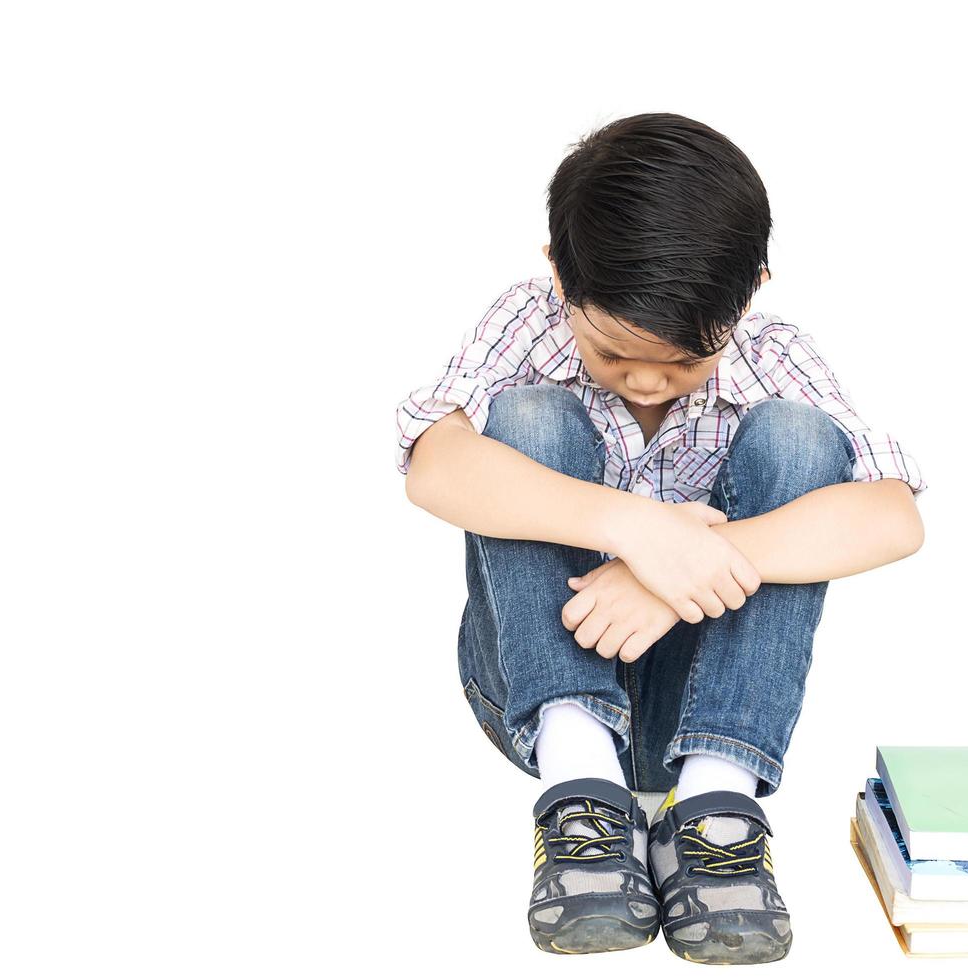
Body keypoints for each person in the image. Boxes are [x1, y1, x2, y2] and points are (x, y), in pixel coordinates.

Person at [396, 112, 928, 963]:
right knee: (523, 418)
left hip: (705, 706)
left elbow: (893, 517)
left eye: (684, 362)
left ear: (749, 293)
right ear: (558, 277)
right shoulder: (527, 324)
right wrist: (637, 528)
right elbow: (433, 467)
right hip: (535, 694)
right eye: (612, 353)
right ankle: (584, 797)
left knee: (801, 439)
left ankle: (716, 815)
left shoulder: (773, 353)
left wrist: (688, 565)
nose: (647, 378)